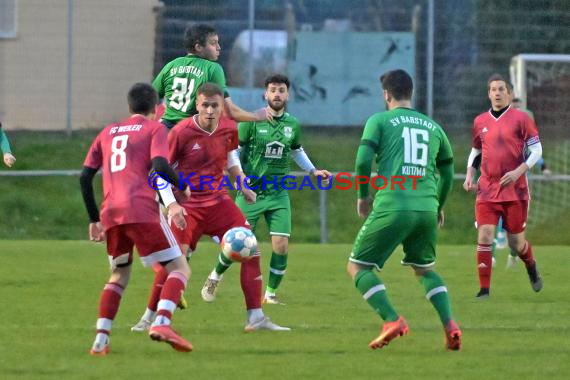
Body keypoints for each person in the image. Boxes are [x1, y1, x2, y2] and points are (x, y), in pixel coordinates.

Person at [131, 83, 290, 332]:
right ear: (197, 105)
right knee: (174, 261)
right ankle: (148, 317)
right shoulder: (181, 132)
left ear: (221, 107)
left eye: (215, 105)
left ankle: (256, 317)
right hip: (188, 206)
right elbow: (158, 173)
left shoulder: (228, 127)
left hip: (218, 203)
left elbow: (230, 156)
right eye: (205, 105)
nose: (209, 110)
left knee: (251, 249)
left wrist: (241, 182)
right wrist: (171, 205)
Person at [346, 69, 461, 350]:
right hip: (426, 209)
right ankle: (450, 326)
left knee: (357, 266)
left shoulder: (380, 121)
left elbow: (362, 162)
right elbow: (448, 172)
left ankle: (391, 319)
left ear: (386, 94)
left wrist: (363, 195)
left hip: (394, 204)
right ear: (411, 93)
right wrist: (439, 205)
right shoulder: (433, 127)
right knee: (425, 270)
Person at [80, 83, 193, 355]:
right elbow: (161, 165)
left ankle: (101, 339)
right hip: (141, 209)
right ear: (156, 109)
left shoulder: (107, 132)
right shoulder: (155, 129)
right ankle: (163, 322)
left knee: (119, 274)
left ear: (129, 107)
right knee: (179, 267)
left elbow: (85, 176)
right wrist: (182, 186)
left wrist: (94, 219)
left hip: (111, 213)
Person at [200, 74, 331, 305]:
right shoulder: (252, 122)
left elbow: (296, 150)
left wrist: (313, 171)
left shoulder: (293, 124)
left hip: (278, 193)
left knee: (281, 245)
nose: (277, 94)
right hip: (251, 193)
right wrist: (237, 177)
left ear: (287, 95)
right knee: (236, 242)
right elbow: (235, 152)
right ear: (266, 94)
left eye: (281, 90)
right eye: (273, 90)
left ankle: (270, 294)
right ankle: (215, 275)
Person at [463, 74, 543, 298]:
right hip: (487, 189)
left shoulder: (522, 119)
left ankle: (531, 267)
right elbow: (477, 151)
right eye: (493, 89)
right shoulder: (480, 121)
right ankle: (484, 290)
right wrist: (470, 173)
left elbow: (537, 150)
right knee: (485, 235)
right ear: (488, 94)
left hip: (515, 191)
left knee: (516, 243)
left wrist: (519, 171)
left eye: (501, 89)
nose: (497, 93)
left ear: (509, 93)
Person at [152, 24, 268, 129]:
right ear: (198, 47)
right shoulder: (212, 68)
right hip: (190, 132)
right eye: (213, 43)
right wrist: (257, 116)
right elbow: (229, 111)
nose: (219, 47)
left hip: (165, 129)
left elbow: (151, 98)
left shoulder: (170, 65)